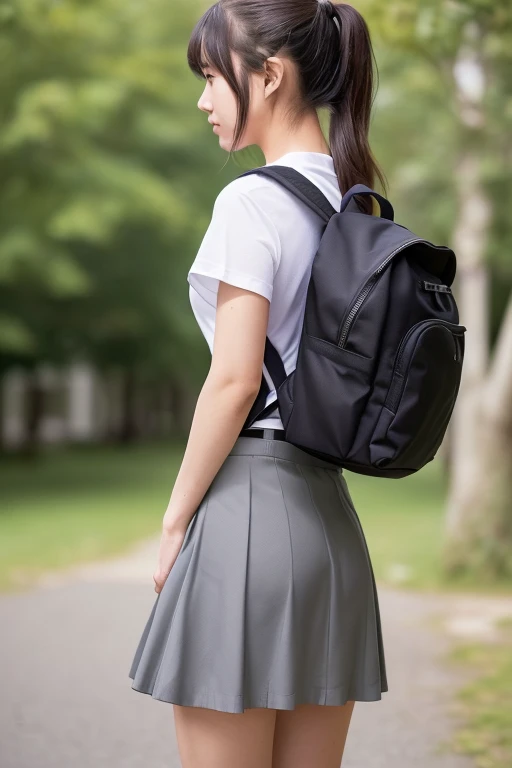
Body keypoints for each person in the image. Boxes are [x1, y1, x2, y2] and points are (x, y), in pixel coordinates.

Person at [128, 1, 389, 765]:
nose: (203, 99)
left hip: (246, 520)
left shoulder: (251, 201)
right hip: (331, 533)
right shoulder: (354, 204)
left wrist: (176, 521)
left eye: (212, 76)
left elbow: (235, 380)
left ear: (269, 75)